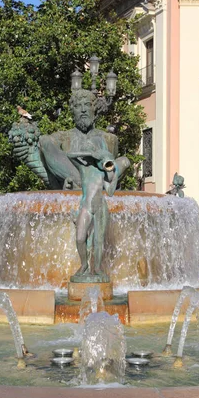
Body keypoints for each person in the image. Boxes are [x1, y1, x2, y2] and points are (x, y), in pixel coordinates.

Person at [66, 89, 129, 281]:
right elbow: (70, 155)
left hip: (100, 206)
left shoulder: (102, 172)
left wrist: (113, 172)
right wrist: (91, 155)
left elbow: (110, 192)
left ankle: (98, 270)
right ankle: (84, 265)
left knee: (98, 241)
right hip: (86, 206)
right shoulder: (85, 167)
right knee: (80, 238)